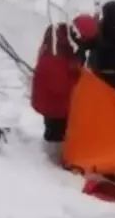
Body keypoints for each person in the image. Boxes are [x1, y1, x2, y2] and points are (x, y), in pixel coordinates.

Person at [30, 13, 98, 160]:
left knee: (58, 127)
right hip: (53, 101)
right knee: (55, 129)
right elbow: (62, 86)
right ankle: (51, 159)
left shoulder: (61, 36)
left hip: (53, 95)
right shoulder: (56, 57)